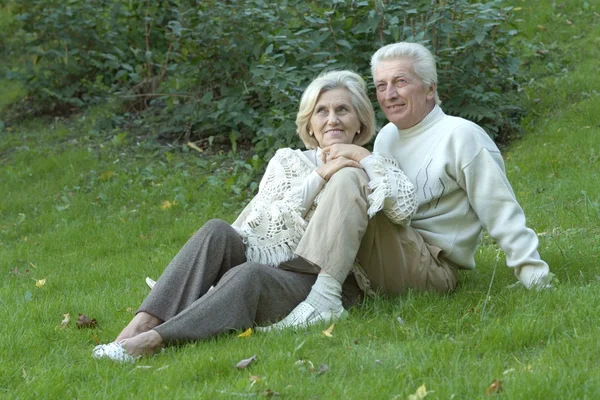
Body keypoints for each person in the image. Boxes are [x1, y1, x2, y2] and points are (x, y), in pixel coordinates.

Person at [92, 70, 418, 362]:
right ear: (310, 124)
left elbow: (402, 208)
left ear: (360, 121)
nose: (332, 119)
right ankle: (139, 324)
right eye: (322, 111)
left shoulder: (372, 165)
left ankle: (152, 341)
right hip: (275, 262)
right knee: (216, 230)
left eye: (342, 110)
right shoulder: (288, 161)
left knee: (248, 276)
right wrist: (320, 175)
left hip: (323, 282)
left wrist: (362, 158)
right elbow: (266, 217)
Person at [307, 42, 551, 300]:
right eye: (381, 85)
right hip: (392, 252)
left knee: (350, 177)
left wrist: (532, 274)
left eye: (400, 82)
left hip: (432, 269)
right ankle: (303, 284)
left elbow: (501, 211)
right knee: (344, 179)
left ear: (430, 88)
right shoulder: (387, 137)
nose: (389, 94)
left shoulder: (460, 136)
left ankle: (320, 297)